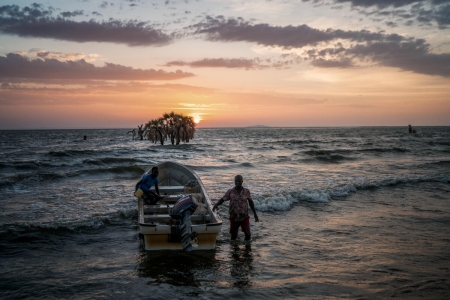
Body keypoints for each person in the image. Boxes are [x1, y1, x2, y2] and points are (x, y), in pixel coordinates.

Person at [213, 175, 259, 242]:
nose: (238, 183)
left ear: (242, 181)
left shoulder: (246, 191)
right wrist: (216, 204)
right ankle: (234, 250)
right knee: (234, 236)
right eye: (236, 181)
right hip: (234, 217)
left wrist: (255, 214)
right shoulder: (230, 191)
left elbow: (251, 202)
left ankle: (247, 249)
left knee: (248, 234)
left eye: (239, 181)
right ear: (234, 182)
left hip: (244, 216)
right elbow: (223, 199)